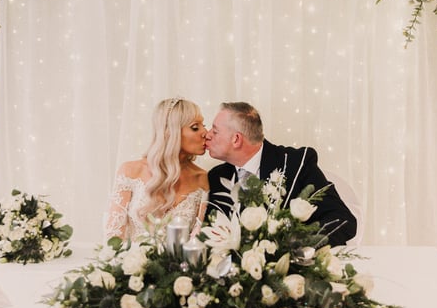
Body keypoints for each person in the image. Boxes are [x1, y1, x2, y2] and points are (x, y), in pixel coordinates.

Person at [205, 101, 357, 246]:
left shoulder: (296, 163)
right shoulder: (217, 178)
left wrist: (293, 247)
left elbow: (342, 220)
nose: (208, 135)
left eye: (215, 131)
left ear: (236, 139)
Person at [105, 98, 209, 240]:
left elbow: (198, 239)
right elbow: (113, 238)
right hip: (131, 254)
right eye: (195, 127)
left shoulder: (202, 178)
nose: (205, 132)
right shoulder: (130, 171)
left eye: (204, 125)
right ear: (170, 132)